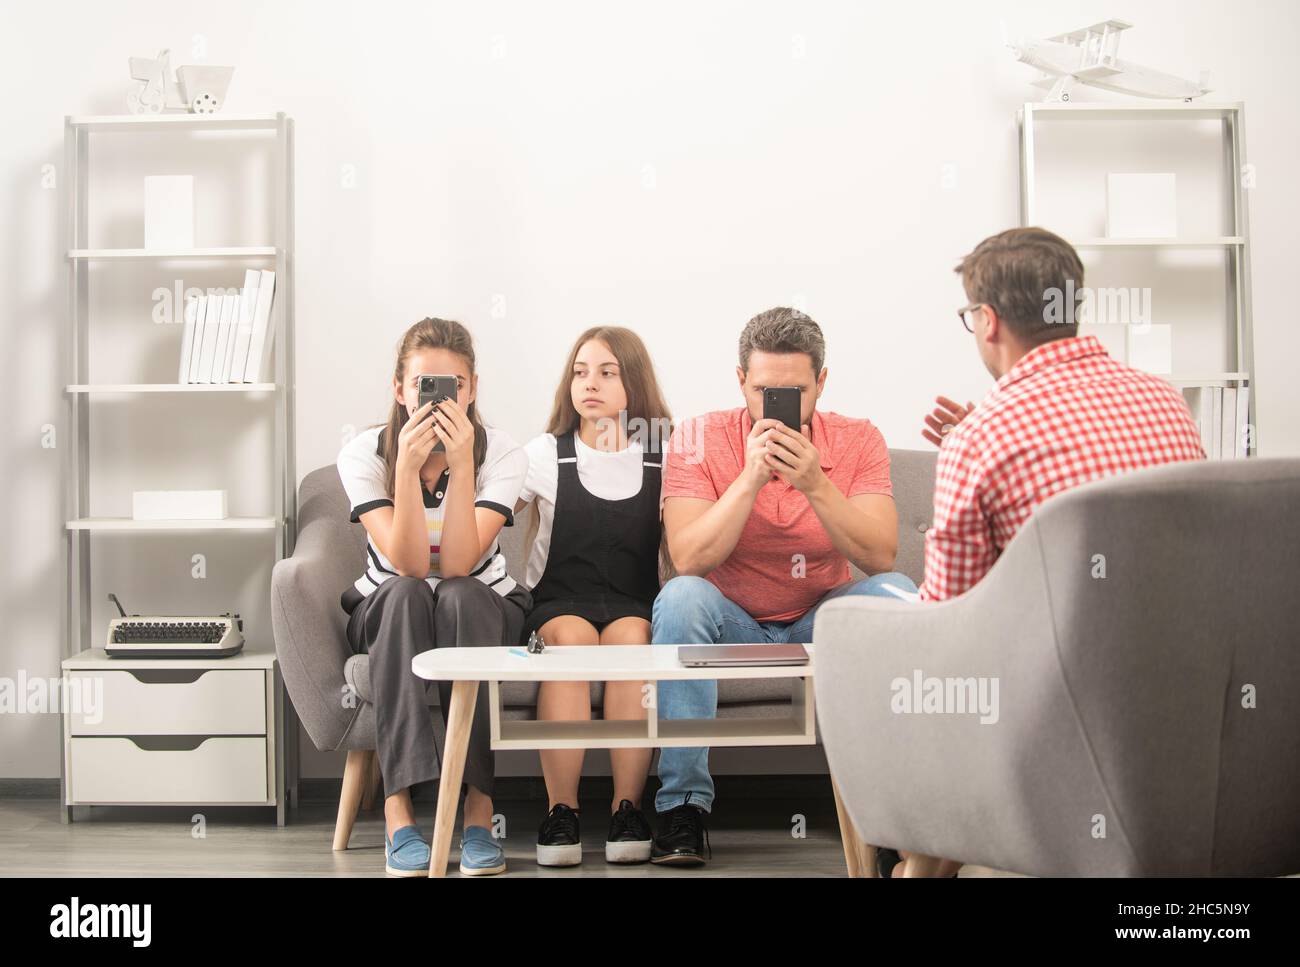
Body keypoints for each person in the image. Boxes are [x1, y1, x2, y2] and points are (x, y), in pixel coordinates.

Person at [882, 226, 1206, 879]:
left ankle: (919, 858)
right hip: (1183, 692)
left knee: (924, 686)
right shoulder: (1166, 401)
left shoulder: (984, 435)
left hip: (1059, 715)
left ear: (988, 320)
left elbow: (949, 621)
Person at [650, 306, 917, 866]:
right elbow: (688, 559)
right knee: (680, 597)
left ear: (822, 382)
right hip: (732, 622)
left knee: (897, 593)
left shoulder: (858, 439)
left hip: (821, 619)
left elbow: (880, 557)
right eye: (764, 391)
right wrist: (751, 477)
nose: (778, 406)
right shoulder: (698, 437)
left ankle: (892, 814)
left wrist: (816, 483)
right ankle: (682, 806)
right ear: (741, 381)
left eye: (795, 392)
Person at [336, 317, 531, 877]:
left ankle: (478, 811)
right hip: (390, 605)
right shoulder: (364, 454)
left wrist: (463, 465)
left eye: (454, 386)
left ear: (471, 390)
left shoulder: (502, 453)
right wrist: (405, 470)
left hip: (481, 602)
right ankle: (398, 811)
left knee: (461, 595)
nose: (439, 400)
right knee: (405, 593)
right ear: (400, 389)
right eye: (424, 385)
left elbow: (461, 563)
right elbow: (412, 565)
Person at [513, 327, 673, 866]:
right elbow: (487, 515)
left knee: (633, 642)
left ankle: (628, 808)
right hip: (558, 605)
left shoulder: (662, 454)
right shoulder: (544, 453)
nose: (590, 383)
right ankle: (562, 810)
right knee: (572, 641)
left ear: (635, 381)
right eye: (580, 372)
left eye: (607, 372)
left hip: (633, 603)